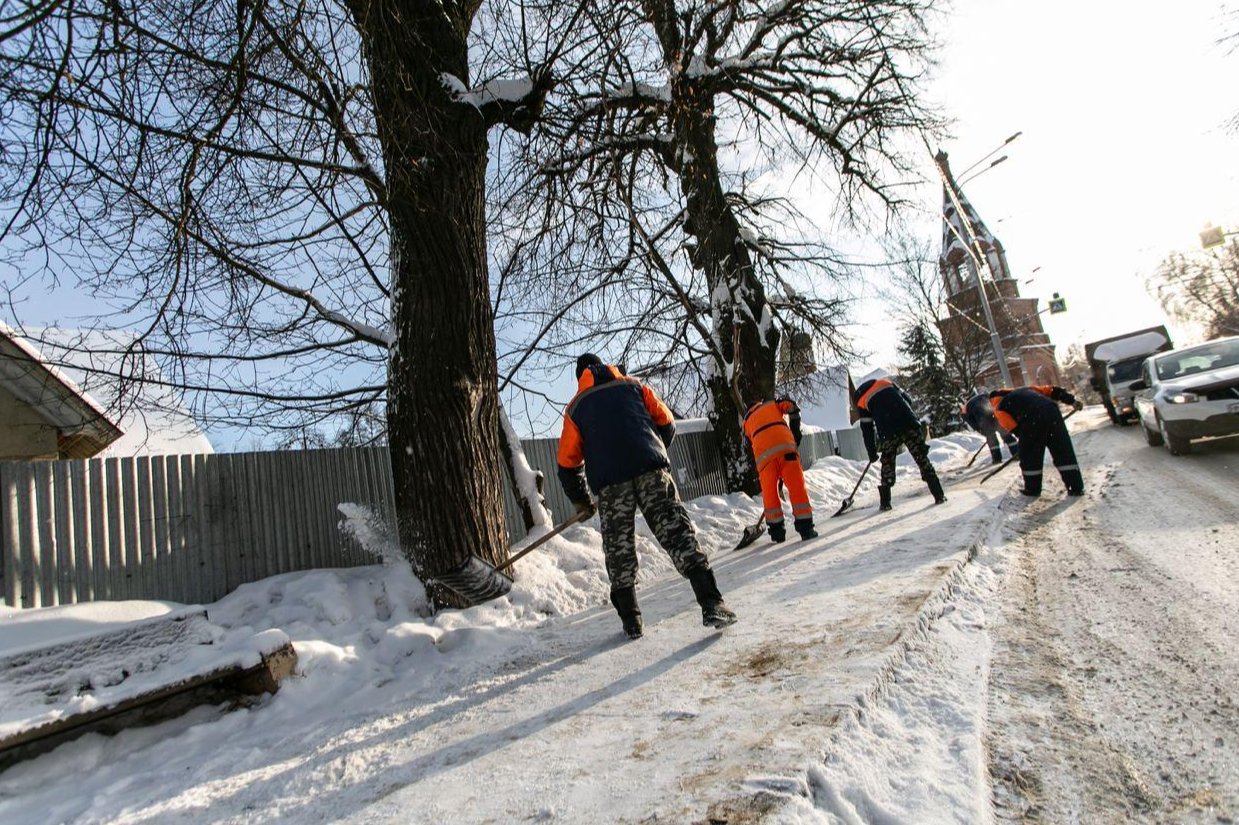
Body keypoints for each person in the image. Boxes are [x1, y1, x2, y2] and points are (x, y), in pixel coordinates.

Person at [557, 354, 738, 639]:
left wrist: (581, 500)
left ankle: (632, 621)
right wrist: (652, 451)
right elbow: (667, 423)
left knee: (619, 547)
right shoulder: (633, 386)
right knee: (677, 531)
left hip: (611, 483)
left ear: (580, 377)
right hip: (651, 469)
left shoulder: (577, 407)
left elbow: (567, 465)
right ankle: (712, 602)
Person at [852, 369, 946, 511]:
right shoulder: (887, 382)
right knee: (921, 458)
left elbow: (867, 430)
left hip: (888, 432)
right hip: (909, 423)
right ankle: (938, 495)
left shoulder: (862, 402)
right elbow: (909, 400)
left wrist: (872, 452)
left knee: (888, 463)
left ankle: (885, 503)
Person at [742, 396, 817, 543]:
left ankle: (777, 534)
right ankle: (806, 529)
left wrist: (767, 466)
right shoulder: (772, 405)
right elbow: (792, 407)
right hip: (786, 449)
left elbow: (748, 447)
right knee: (797, 488)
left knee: (770, 494)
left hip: (765, 459)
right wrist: (795, 433)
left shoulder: (746, 423)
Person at [989, 385, 1085, 497]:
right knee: (1062, 450)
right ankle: (1075, 487)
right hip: (1052, 410)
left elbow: (1014, 428)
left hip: (1032, 418)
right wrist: (1072, 401)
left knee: (1029, 456)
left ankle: (1032, 489)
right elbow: (1053, 390)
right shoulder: (1027, 389)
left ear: (992, 401)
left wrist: (1029, 440)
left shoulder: (999, 408)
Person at [963, 392, 1020, 466]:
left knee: (991, 438)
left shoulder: (965, 410)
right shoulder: (985, 395)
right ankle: (1017, 454)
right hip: (992, 411)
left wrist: (983, 432)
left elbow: (974, 424)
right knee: (1005, 433)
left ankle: (997, 459)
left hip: (982, 415)